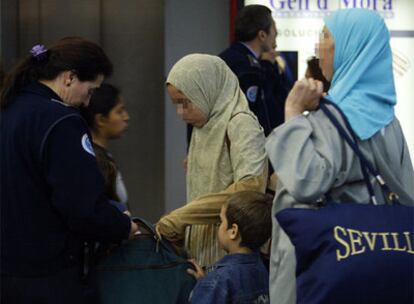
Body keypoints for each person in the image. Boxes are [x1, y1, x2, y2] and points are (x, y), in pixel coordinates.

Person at [265, 9, 414, 304]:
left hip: (322, 268)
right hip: (379, 265)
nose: (318, 46)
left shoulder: (328, 119)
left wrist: (293, 113)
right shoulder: (389, 122)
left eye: (326, 36)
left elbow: (306, 183)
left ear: (351, 46)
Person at [0, 37, 139, 304]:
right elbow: (81, 207)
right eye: (89, 91)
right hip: (50, 275)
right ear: (69, 78)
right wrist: (123, 226)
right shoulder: (61, 122)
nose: (87, 103)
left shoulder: (9, 108)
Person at [157, 54, 268, 268]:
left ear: (205, 90)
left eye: (185, 102)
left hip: (233, 253)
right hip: (204, 251)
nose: (181, 113)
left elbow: (250, 190)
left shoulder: (241, 125)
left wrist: (184, 216)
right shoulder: (205, 126)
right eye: (176, 104)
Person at [187, 191, 272, 304]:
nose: (219, 226)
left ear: (233, 231)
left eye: (221, 221)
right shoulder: (263, 270)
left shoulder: (218, 280)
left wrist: (208, 287)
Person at [219, 4, 291, 137]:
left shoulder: (227, 58)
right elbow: (256, 115)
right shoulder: (248, 68)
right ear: (262, 35)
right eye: (274, 29)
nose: (276, 35)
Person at [80, 83, 130, 214]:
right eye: (119, 111)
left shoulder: (104, 156)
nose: (126, 117)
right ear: (101, 119)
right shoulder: (96, 161)